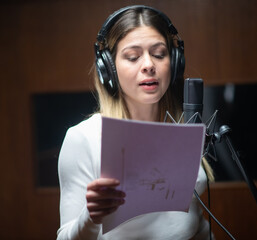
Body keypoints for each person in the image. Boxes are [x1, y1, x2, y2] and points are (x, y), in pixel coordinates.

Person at [57, 5, 215, 240]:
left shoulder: (184, 131)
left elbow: (194, 222)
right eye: (133, 57)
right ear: (108, 69)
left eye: (159, 54)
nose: (149, 65)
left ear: (174, 62)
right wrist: (90, 217)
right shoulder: (83, 138)